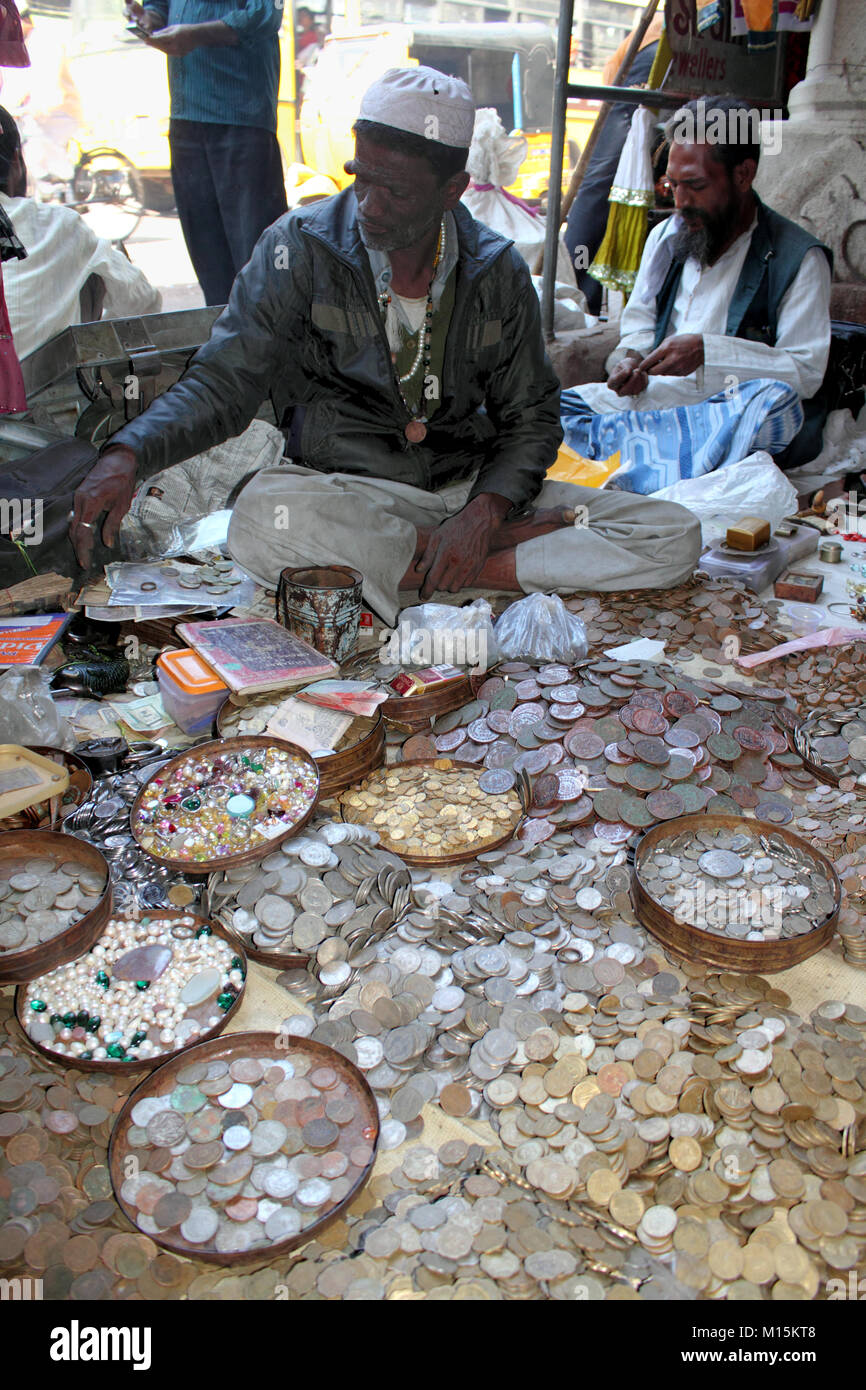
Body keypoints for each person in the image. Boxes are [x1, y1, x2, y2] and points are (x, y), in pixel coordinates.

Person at [69, 67, 701, 621]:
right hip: (353, 495)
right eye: (360, 178)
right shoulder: (299, 248)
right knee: (261, 512)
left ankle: (427, 567)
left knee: (673, 532)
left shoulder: (497, 270)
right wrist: (128, 452)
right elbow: (224, 381)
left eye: (394, 190)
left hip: (469, 486)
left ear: (453, 190)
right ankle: (479, 567)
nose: (368, 205)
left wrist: (482, 515)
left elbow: (532, 417)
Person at [561, 96, 833, 494]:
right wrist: (630, 361)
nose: (681, 202)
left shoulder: (799, 258)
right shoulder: (666, 237)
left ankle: (645, 464)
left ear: (743, 175)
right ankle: (654, 463)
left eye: (696, 186)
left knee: (770, 402)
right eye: (673, 185)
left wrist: (708, 352)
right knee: (555, 411)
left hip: (727, 413)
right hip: (656, 405)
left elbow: (805, 373)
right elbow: (638, 325)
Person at [124, 0, 288, 307]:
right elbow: (160, 5)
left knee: (257, 260)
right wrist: (148, 18)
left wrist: (196, 35)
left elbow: (265, 13)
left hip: (241, 117)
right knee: (208, 259)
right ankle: (224, 342)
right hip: (186, 117)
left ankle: (269, 348)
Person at [0, 107, 160, 358]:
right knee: (93, 274)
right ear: (17, 163)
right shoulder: (57, 225)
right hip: (39, 387)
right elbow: (142, 301)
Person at [564, 17, 663, 316]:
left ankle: (577, 299)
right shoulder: (646, 47)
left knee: (601, 184)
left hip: (689, 46)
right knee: (603, 185)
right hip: (672, 47)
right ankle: (574, 300)